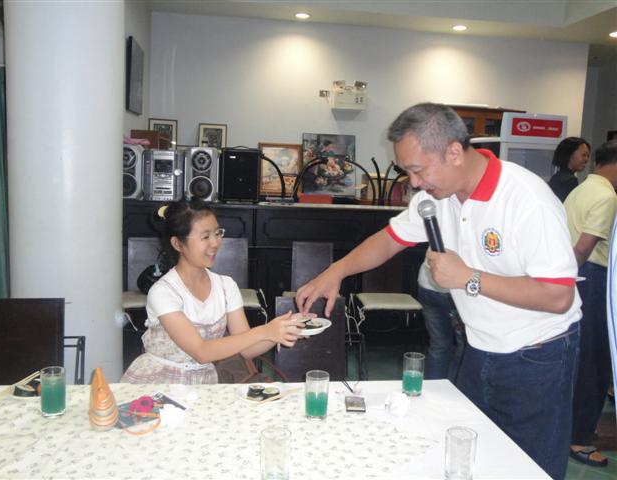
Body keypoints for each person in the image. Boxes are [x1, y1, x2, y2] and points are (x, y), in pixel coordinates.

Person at [296, 103, 581, 480]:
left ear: (453, 152)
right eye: (407, 172)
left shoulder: (527, 199)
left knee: (530, 467)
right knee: (472, 456)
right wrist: (337, 270)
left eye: (418, 170)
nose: (414, 183)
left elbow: (558, 296)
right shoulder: (435, 198)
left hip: (537, 354)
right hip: (479, 347)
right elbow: (390, 239)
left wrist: (469, 278)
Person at [121, 199, 305, 384]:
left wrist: (282, 330)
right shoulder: (163, 292)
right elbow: (201, 352)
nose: (215, 243)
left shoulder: (226, 286)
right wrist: (265, 330)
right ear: (177, 244)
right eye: (205, 237)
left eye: (217, 233)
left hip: (205, 382)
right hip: (162, 384)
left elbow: (246, 349)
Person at [565, 140, 617, 468]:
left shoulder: (581, 190)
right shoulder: (608, 197)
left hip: (577, 280)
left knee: (580, 361)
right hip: (592, 280)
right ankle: (581, 438)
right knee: (595, 363)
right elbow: (584, 249)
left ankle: (575, 427)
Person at [417, 259, 465, 381]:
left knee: (439, 346)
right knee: (465, 347)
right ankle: (455, 390)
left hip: (427, 284)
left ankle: (434, 389)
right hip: (457, 290)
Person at [548, 137, 591, 202]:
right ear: (570, 154)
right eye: (583, 155)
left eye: (588, 156)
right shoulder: (570, 181)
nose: (587, 159)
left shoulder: (557, 176)